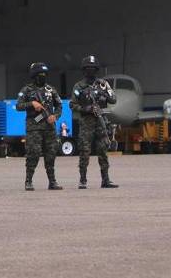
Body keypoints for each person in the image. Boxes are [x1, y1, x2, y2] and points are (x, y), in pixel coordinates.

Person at [70, 55, 119, 189]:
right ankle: (83, 180)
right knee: (84, 151)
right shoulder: (79, 86)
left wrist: (104, 93)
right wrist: (86, 108)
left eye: (93, 68)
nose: (90, 71)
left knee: (103, 150)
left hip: (101, 121)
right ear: (84, 70)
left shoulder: (103, 84)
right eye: (88, 68)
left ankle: (106, 180)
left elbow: (113, 99)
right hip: (86, 123)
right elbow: (72, 105)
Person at [16, 62, 64, 191]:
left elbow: (59, 105)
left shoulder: (51, 89)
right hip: (34, 128)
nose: (42, 77)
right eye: (39, 75)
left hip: (49, 127)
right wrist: (32, 103)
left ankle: (52, 182)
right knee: (33, 154)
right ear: (34, 76)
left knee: (51, 155)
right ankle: (28, 181)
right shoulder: (27, 90)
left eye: (44, 74)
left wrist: (55, 116)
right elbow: (18, 106)